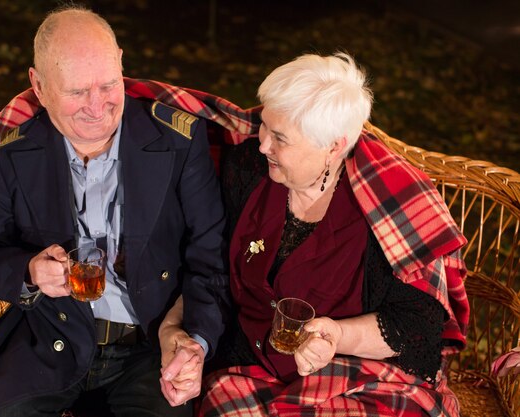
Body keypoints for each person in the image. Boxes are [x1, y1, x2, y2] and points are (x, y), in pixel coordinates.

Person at [158, 53, 470, 416]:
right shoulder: (248, 168)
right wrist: (176, 329)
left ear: (334, 146)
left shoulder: (388, 204)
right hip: (252, 367)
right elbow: (212, 270)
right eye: (264, 126)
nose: (262, 145)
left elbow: (415, 325)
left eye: (280, 138)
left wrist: (337, 336)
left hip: (361, 377)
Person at [0, 6, 229, 416]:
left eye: (107, 85)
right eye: (77, 92)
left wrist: (195, 341)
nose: (97, 107)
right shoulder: (11, 154)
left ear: (121, 63)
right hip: (47, 339)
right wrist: (30, 271)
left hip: (150, 345)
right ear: (40, 86)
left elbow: (211, 258)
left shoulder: (178, 143)